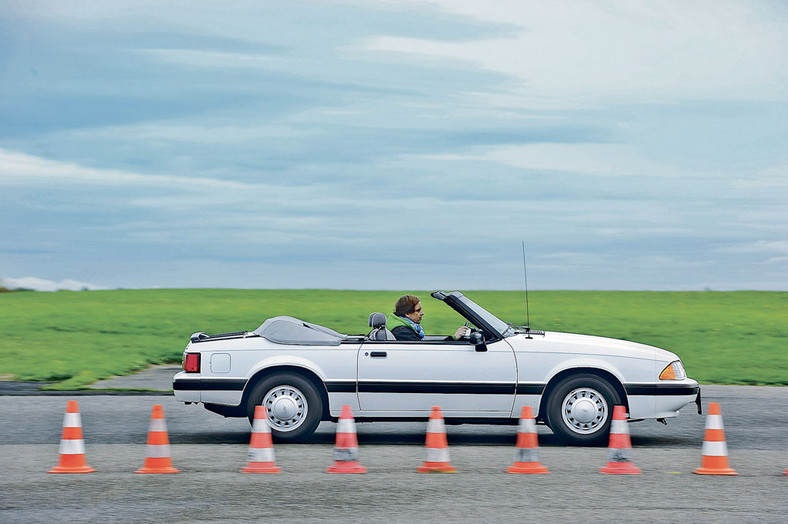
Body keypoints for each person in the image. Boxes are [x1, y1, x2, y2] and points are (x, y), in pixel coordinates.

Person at [387, 295, 470, 341]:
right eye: (418, 310)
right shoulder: (402, 332)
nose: (422, 313)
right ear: (407, 314)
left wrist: (454, 338)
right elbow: (424, 350)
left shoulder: (406, 328)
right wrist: (453, 338)